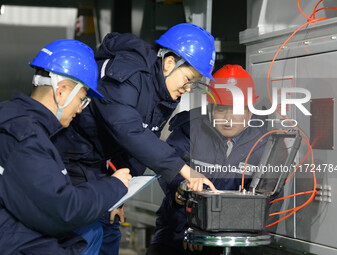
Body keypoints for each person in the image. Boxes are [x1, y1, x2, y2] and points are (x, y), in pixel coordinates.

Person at [53, 23, 217, 254]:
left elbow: (141, 145)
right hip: (69, 161)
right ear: (170, 62)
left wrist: (120, 196)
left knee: (110, 230)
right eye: (188, 78)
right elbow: (128, 131)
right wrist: (185, 169)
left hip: (97, 167)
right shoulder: (127, 71)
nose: (189, 88)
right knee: (86, 234)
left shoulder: (165, 91)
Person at [0, 39, 131, 255]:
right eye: (82, 99)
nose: (80, 109)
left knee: (93, 232)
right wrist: (115, 186)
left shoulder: (18, 121)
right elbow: (63, 210)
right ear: (61, 91)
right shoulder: (25, 137)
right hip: (16, 244)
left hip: (16, 232)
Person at [147, 64, 269, 255]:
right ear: (211, 108)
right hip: (179, 233)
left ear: (249, 111)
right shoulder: (188, 130)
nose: (228, 119)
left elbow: (266, 196)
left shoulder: (264, 143)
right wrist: (190, 227)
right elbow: (170, 173)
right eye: (221, 110)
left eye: (236, 110)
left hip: (235, 237)